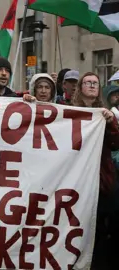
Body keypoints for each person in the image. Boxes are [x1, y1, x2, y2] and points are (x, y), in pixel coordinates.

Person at [70, 72, 119, 269]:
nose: (92, 86)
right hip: (76, 180)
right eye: (88, 82)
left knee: (102, 226)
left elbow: (115, 144)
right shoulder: (69, 111)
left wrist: (111, 124)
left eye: (95, 83)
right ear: (80, 87)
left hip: (101, 180)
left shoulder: (104, 114)